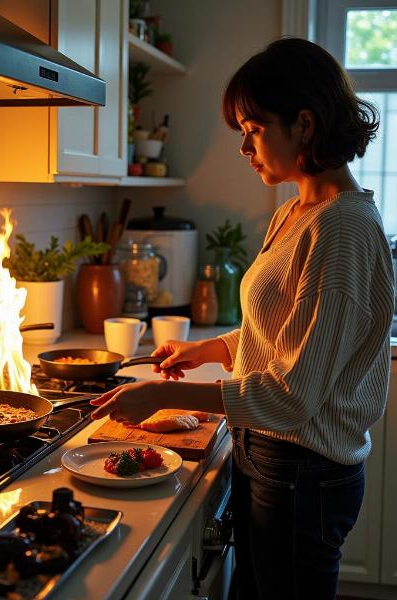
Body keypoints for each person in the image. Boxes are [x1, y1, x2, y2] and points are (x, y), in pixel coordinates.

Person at [90, 37, 394, 600]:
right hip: (272, 457)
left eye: (253, 129)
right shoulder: (297, 212)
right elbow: (285, 330)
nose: (244, 147)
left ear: (304, 125)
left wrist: (163, 395)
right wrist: (212, 349)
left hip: (303, 471)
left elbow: (293, 396)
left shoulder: (341, 230)